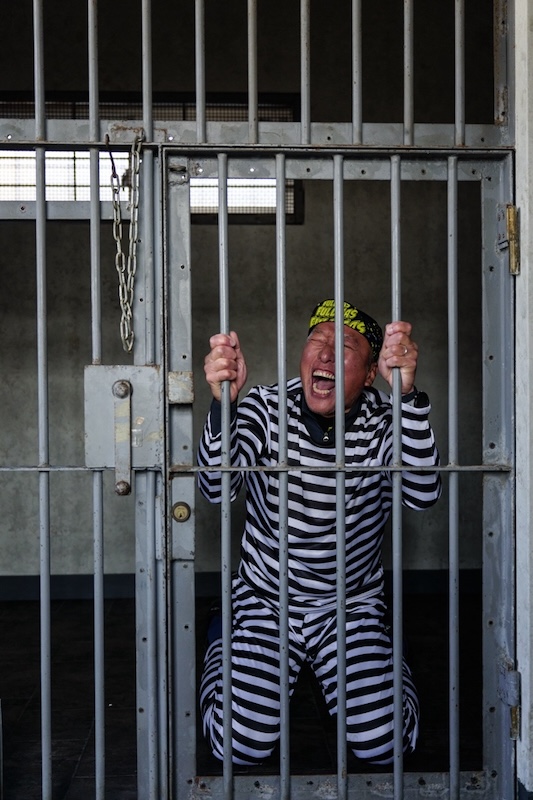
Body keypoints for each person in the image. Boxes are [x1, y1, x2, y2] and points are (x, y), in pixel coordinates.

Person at [197, 299, 442, 766]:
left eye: (345, 346)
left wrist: (407, 397)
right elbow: (214, 488)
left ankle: (387, 656)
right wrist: (223, 403)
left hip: (352, 603)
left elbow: (422, 494)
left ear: (369, 374)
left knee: (385, 744)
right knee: (239, 745)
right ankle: (221, 639)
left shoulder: (386, 417)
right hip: (266, 599)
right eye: (316, 340)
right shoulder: (266, 405)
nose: (325, 353)